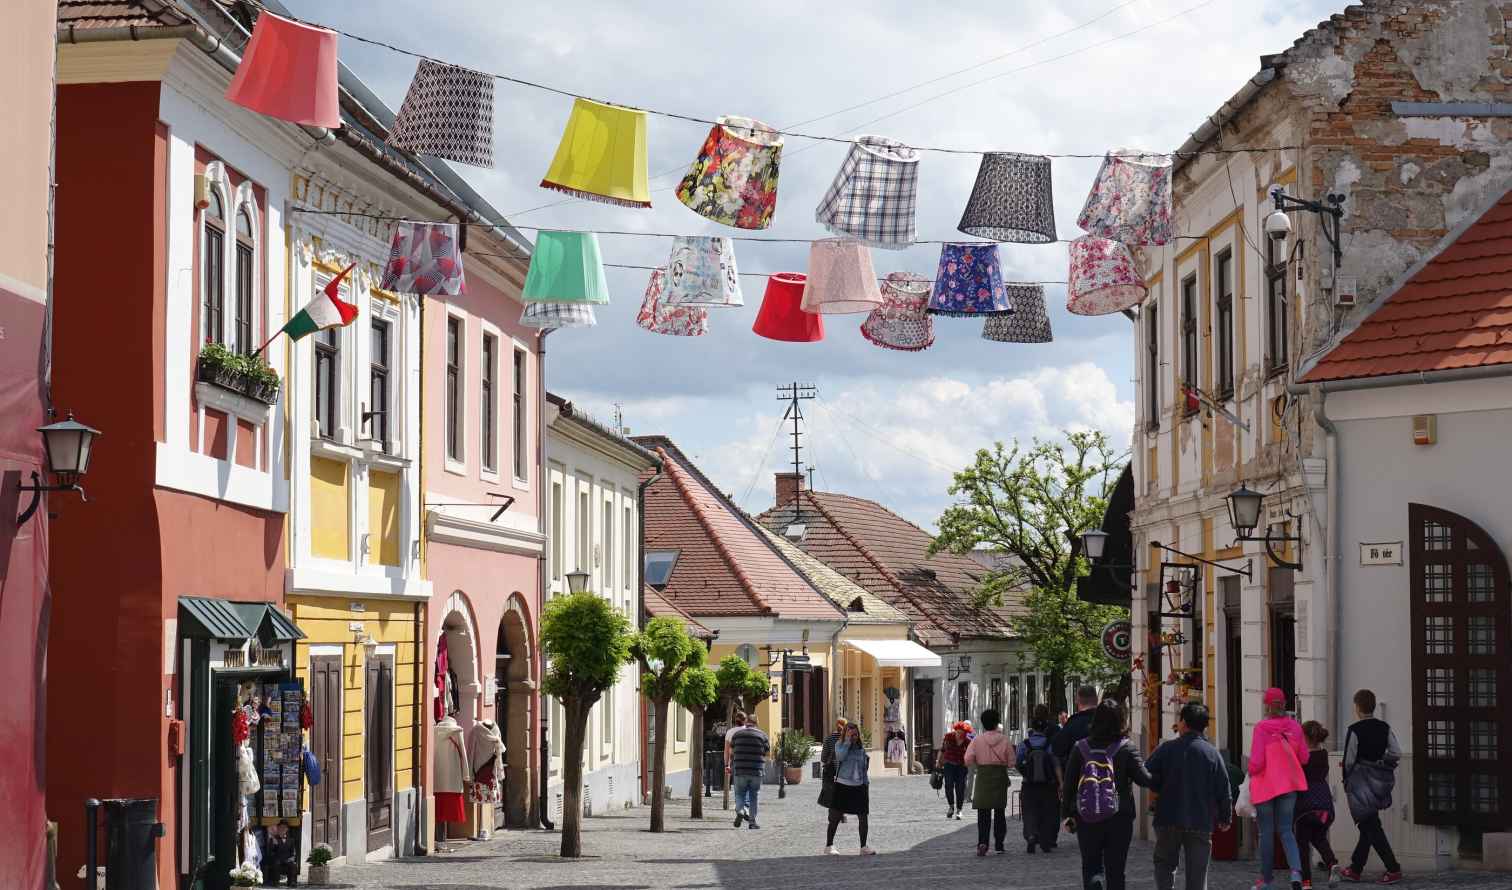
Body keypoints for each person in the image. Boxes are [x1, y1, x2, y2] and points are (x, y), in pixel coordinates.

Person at [1061, 700, 1151, 890]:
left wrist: (1067, 815)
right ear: (1121, 721)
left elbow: (1069, 785)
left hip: (1087, 816)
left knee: (1091, 867)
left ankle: (1095, 884)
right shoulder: (1126, 748)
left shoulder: (1080, 747)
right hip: (1120, 817)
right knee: (1116, 870)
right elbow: (1145, 779)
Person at [1146, 701, 1232, 890]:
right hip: (1200, 819)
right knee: (1197, 872)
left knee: (1164, 865)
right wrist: (1225, 817)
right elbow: (1223, 788)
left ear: (1183, 723)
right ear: (1204, 726)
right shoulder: (1212, 753)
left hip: (1168, 817)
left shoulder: (1166, 749)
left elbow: (1146, 774)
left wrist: (1159, 787)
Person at [1249, 688, 1310, 890]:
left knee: (1266, 833)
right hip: (1289, 785)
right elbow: (1304, 758)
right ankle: (1296, 872)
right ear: (1284, 704)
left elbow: (1257, 763)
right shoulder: (1295, 727)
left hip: (1265, 787)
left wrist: (1250, 771)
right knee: (1286, 830)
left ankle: (1266, 880)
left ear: (1267, 706)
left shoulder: (1261, 728)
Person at [1340, 689, 1402, 884]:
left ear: (1357, 707)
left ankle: (1393, 868)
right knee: (1369, 823)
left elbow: (1349, 760)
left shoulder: (1354, 729)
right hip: (1379, 780)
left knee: (1371, 826)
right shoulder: (1384, 727)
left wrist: (1346, 780)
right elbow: (1396, 752)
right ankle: (1355, 868)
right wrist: (1382, 762)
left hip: (1360, 783)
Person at [965, 708, 1015, 856]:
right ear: (996, 723)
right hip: (999, 776)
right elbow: (1012, 762)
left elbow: (967, 759)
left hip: (983, 777)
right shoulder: (1004, 740)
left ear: (983, 723)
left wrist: (978, 761)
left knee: (983, 813)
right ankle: (999, 844)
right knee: (1000, 812)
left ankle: (983, 842)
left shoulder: (977, 740)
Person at [1296, 720, 1339, 889]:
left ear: (1305, 737)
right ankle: (1331, 863)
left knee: (1302, 844)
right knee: (1319, 837)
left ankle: (1306, 882)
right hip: (1324, 803)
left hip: (1306, 805)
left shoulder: (1302, 758)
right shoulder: (1323, 755)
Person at [1017, 704, 1062, 854]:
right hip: (1048, 784)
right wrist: (1061, 782)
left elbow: (1018, 762)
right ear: (1044, 728)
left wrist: (1025, 773)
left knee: (1029, 811)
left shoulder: (1024, 744)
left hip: (1029, 784)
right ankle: (1045, 841)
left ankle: (1031, 835)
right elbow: (1056, 763)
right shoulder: (1049, 744)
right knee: (1047, 811)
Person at [824, 722, 874, 855]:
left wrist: (866, 783)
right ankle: (829, 846)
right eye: (851, 734)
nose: (854, 737)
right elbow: (840, 757)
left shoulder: (860, 748)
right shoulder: (839, 745)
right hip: (843, 786)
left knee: (863, 817)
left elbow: (863, 767)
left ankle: (863, 847)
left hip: (859, 786)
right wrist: (847, 742)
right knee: (835, 818)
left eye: (855, 734)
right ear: (845, 734)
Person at [728, 713, 769, 829]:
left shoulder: (737, 735)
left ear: (746, 722)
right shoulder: (763, 735)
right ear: (756, 723)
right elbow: (766, 752)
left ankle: (740, 810)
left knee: (739, 793)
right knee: (753, 796)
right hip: (756, 770)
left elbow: (731, 751)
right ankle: (752, 822)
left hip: (740, 769)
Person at [1053, 685, 1101, 765]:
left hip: (1079, 770)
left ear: (1077, 701)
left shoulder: (1073, 723)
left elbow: (1057, 749)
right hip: (1109, 770)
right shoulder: (1107, 720)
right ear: (1096, 700)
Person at [937, 721, 971, 820]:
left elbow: (970, 754)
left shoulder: (967, 741)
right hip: (949, 765)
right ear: (955, 730)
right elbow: (942, 750)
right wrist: (938, 762)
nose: (959, 734)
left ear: (965, 733)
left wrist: (968, 762)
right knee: (948, 785)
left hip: (961, 766)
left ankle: (959, 810)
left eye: (962, 733)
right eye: (958, 732)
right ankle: (951, 807)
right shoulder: (948, 737)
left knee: (960, 787)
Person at [820, 717, 849, 822]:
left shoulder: (828, 739)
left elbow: (823, 758)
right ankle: (842, 814)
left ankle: (832, 813)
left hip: (831, 770)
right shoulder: (849, 740)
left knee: (831, 792)